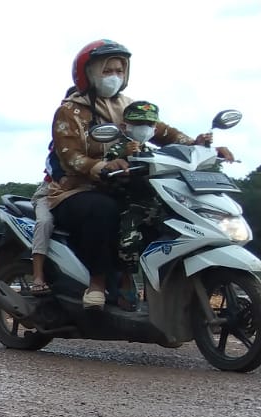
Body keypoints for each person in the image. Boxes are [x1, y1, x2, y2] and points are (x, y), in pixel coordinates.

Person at [47, 39, 235, 308]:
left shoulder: (128, 106)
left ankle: (156, 285)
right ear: (89, 73)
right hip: (76, 189)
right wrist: (103, 166)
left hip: (124, 185)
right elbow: (70, 157)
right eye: (107, 70)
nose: (114, 76)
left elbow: (163, 133)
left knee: (162, 211)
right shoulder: (70, 111)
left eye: (119, 71)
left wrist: (200, 146)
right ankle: (97, 283)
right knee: (104, 210)